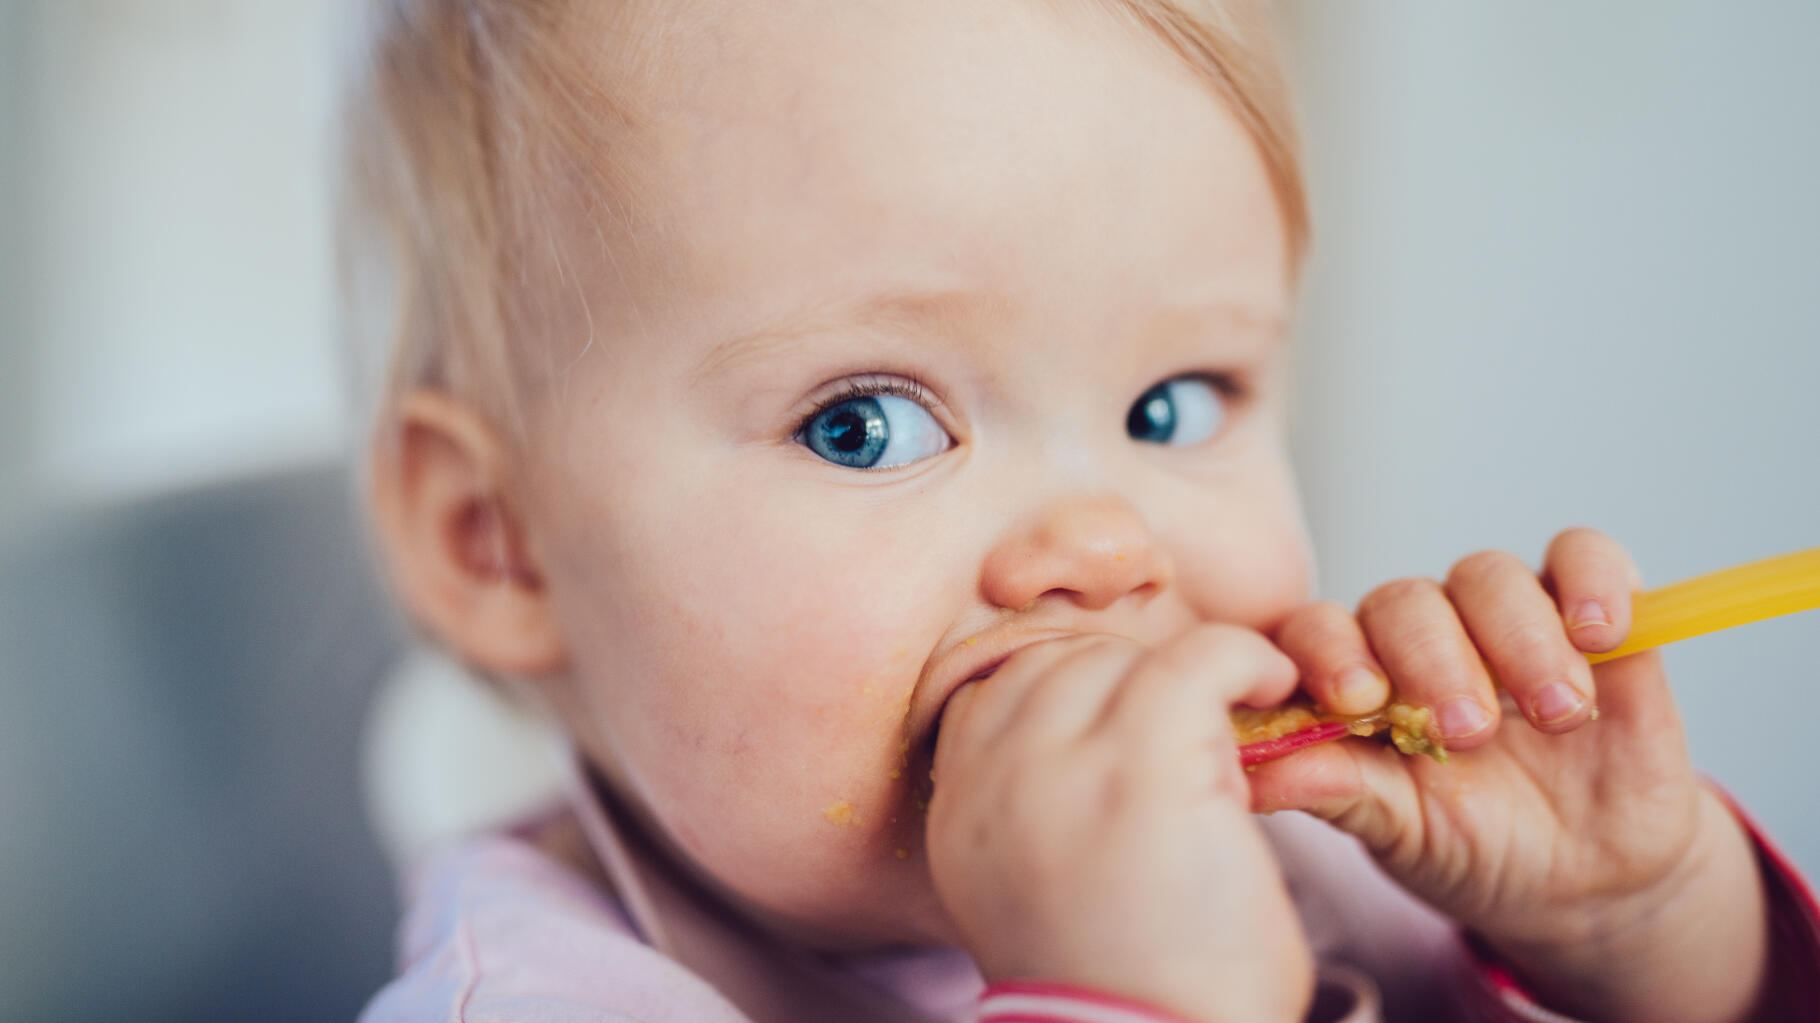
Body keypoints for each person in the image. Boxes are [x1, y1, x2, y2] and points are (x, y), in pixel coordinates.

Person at [340, 1, 1820, 1020]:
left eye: (1174, 404)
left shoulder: (1300, 858)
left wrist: (1628, 937)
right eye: (865, 425)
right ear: (502, 542)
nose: (1108, 552)